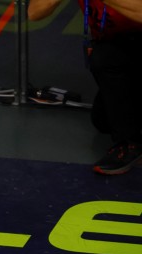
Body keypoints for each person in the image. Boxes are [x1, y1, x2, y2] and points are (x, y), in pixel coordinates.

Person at [28, 0, 142, 175]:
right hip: (118, 44)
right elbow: (34, 13)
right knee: (103, 121)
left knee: (105, 56)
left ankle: (129, 145)